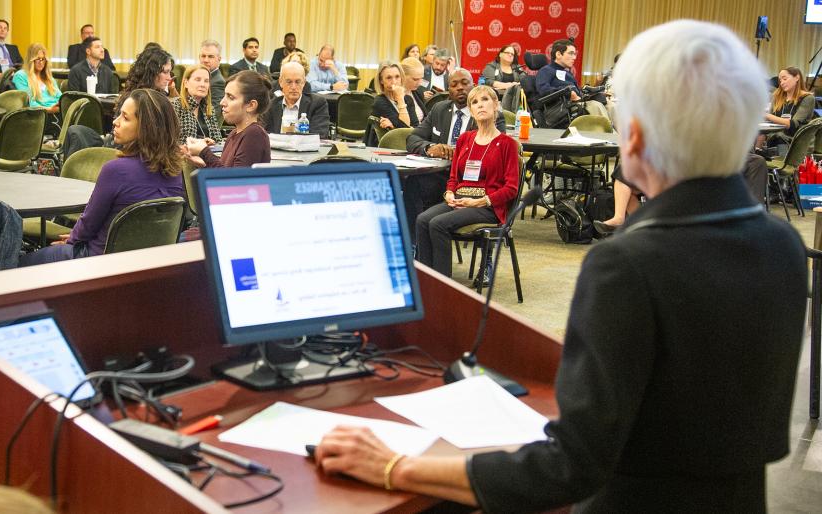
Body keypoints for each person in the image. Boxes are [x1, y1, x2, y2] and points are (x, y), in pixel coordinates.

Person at [315, 20, 806, 513]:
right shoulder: (781, 244)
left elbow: (572, 465)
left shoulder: (629, 265)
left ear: (633, 137)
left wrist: (394, 466)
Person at [21, 89, 186, 265]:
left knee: (18, 264)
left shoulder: (115, 170)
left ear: (146, 128)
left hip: (99, 264)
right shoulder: (177, 172)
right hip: (148, 267)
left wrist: (71, 242)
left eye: (125, 117)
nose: (115, 122)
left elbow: (88, 225)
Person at [411, 84, 518, 276]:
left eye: (485, 100)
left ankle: (443, 286)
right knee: (422, 219)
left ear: (496, 105)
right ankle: (425, 281)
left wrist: (480, 201)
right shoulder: (465, 139)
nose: (480, 105)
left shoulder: (507, 144)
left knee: (438, 224)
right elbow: (453, 177)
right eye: (474, 102)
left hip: (487, 206)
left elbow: (511, 188)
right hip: (460, 198)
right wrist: (449, 193)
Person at [405, 69, 505, 222]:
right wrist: (430, 148)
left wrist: (461, 154)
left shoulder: (487, 113)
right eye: (454, 84)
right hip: (439, 172)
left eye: (465, 83)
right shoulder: (439, 109)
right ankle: (413, 243)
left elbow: (496, 150)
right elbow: (413, 138)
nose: (460, 88)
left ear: (474, 86)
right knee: (413, 183)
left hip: (471, 179)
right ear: (448, 90)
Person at [185, 71, 272, 169]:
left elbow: (233, 181)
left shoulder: (254, 134)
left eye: (231, 97)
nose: (222, 102)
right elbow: (224, 170)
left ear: (251, 105)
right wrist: (205, 163)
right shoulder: (234, 133)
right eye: (224, 96)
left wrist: (204, 152)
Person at [264, 61, 330, 137]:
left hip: (305, 148)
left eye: (298, 82)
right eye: (289, 82)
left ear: (304, 83)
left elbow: (319, 136)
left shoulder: (317, 104)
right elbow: (266, 136)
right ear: (281, 82)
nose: (293, 87)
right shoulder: (271, 106)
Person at [763, 67, 815, 146]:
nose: (782, 83)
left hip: (795, 142)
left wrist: (767, 115)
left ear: (797, 78)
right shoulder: (777, 97)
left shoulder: (807, 98)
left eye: (785, 79)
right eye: (780, 81)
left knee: (778, 136)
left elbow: (793, 124)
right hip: (775, 139)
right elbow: (768, 122)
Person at [174, 64, 222, 143]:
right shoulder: (175, 106)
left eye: (206, 81)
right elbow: (171, 142)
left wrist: (212, 143)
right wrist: (200, 143)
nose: (202, 84)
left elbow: (218, 140)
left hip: (207, 154)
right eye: (198, 80)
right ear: (186, 83)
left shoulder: (209, 108)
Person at [12, 43, 61, 113]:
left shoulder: (49, 78)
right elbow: (29, 103)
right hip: (37, 116)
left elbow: (60, 98)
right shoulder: (20, 76)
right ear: (30, 60)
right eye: (38, 59)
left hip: (56, 113)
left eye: (43, 59)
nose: (41, 62)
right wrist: (49, 110)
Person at [372, 62, 422, 130]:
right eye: (389, 78)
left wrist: (394, 127)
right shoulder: (379, 101)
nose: (394, 81)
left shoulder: (408, 99)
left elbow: (416, 127)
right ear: (381, 81)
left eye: (397, 77)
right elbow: (404, 129)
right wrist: (400, 99)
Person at [199, 40, 226, 114]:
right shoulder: (196, 77)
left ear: (219, 59)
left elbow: (213, 115)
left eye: (210, 57)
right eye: (203, 56)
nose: (206, 60)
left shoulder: (218, 82)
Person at [398, 57, 428, 123]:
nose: (420, 83)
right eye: (415, 79)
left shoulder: (418, 91)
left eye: (421, 78)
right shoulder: (395, 95)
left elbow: (425, 117)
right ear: (402, 76)